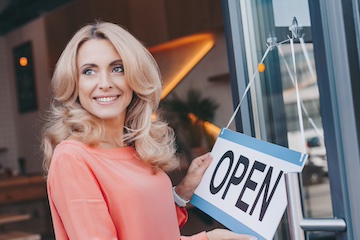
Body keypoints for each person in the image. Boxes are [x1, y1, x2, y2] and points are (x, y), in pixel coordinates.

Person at [42, 21, 257, 240]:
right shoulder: (72, 158)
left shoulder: (135, 148)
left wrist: (183, 192)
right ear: (74, 84)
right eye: (89, 71)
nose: (105, 83)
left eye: (118, 69)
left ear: (134, 77)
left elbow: (148, 230)